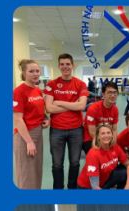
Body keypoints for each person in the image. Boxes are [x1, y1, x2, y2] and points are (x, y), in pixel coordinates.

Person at [44, 54, 88, 189]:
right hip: (57, 130)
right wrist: (71, 105)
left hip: (76, 129)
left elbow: (81, 106)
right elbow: (49, 108)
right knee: (57, 163)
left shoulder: (80, 84)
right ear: (58, 66)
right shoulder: (51, 84)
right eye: (62, 64)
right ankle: (58, 190)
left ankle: (72, 188)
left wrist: (60, 102)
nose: (65, 67)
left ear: (72, 65)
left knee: (75, 162)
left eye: (67, 64)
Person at [13, 59, 48, 189]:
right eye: (31, 71)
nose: (35, 74)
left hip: (38, 133)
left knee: (36, 172)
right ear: (24, 73)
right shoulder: (19, 91)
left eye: (37, 71)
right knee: (26, 174)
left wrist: (46, 118)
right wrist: (28, 141)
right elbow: (17, 119)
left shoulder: (38, 90)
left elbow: (40, 110)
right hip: (25, 136)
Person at [76, 124, 129, 190]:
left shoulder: (115, 147)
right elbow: (94, 186)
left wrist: (128, 185)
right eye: (103, 133)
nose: (106, 136)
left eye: (108, 133)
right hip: (87, 187)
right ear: (98, 137)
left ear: (112, 135)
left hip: (103, 183)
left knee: (123, 172)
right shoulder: (93, 154)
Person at [83, 82, 119, 153]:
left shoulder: (115, 109)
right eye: (109, 92)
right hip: (90, 139)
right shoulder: (93, 108)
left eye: (115, 93)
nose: (112, 95)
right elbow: (92, 132)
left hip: (106, 137)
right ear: (103, 94)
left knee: (116, 152)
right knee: (100, 155)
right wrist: (105, 144)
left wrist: (113, 142)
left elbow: (114, 130)